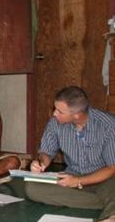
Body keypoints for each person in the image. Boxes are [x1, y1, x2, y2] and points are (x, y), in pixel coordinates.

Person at [26, 86, 115, 222]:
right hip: (71, 176)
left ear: (77, 115)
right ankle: (107, 203)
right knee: (31, 188)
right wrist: (41, 164)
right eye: (55, 109)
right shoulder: (55, 123)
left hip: (103, 178)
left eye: (60, 111)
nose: (54, 114)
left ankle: (110, 215)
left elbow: (111, 168)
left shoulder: (108, 125)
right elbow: (46, 152)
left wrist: (79, 182)